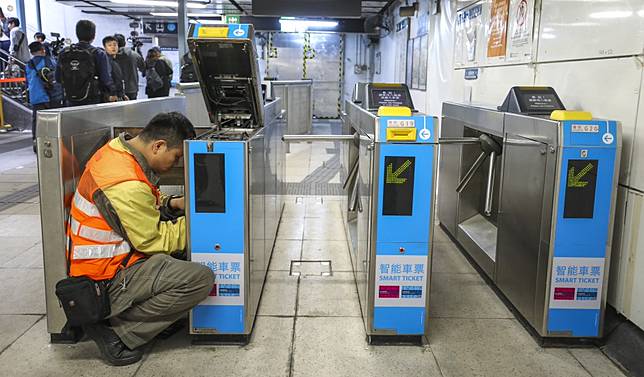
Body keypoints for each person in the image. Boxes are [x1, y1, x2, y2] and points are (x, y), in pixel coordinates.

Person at [67, 112, 214, 366]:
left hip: (114, 262)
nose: (177, 164)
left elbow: (140, 208)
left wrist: (174, 204)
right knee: (199, 279)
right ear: (158, 146)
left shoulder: (118, 152)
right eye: (177, 157)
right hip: (105, 279)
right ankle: (118, 333)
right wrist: (202, 224)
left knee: (179, 251)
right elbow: (154, 240)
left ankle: (151, 320)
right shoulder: (125, 182)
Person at [56, 20, 116, 106]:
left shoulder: (64, 52)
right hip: (93, 99)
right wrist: (112, 92)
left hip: (70, 99)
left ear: (77, 33)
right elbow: (105, 79)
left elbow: (58, 78)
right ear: (94, 35)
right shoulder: (98, 53)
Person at [26, 41, 63, 151]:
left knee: (37, 121)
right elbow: (56, 76)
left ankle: (36, 143)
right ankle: (54, 144)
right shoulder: (49, 60)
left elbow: (28, 81)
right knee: (53, 121)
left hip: (35, 96)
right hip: (50, 95)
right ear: (43, 50)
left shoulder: (28, 64)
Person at [114, 33, 144, 100]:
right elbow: (143, 67)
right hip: (132, 88)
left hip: (115, 89)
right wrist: (139, 50)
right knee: (132, 109)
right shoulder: (134, 54)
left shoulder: (110, 56)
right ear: (124, 43)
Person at [102, 36, 127, 101]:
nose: (113, 47)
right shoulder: (105, 62)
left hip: (117, 96)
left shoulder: (115, 61)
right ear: (105, 48)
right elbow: (105, 80)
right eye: (109, 45)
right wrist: (108, 96)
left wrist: (122, 94)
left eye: (115, 45)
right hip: (110, 97)